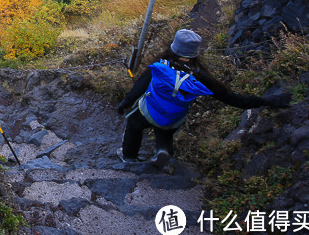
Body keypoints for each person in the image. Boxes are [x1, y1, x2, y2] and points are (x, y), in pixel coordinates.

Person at [116, 29, 289, 167]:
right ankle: (162, 150)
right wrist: (266, 101)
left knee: (134, 123)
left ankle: (129, 157)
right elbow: (230, 98)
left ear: (173, 47)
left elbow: (140, 85)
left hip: (149, 111)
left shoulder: (161, 66)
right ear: (194, 52)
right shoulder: (199, 76)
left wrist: (125, 102)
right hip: (174, 117)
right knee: (166, 126)